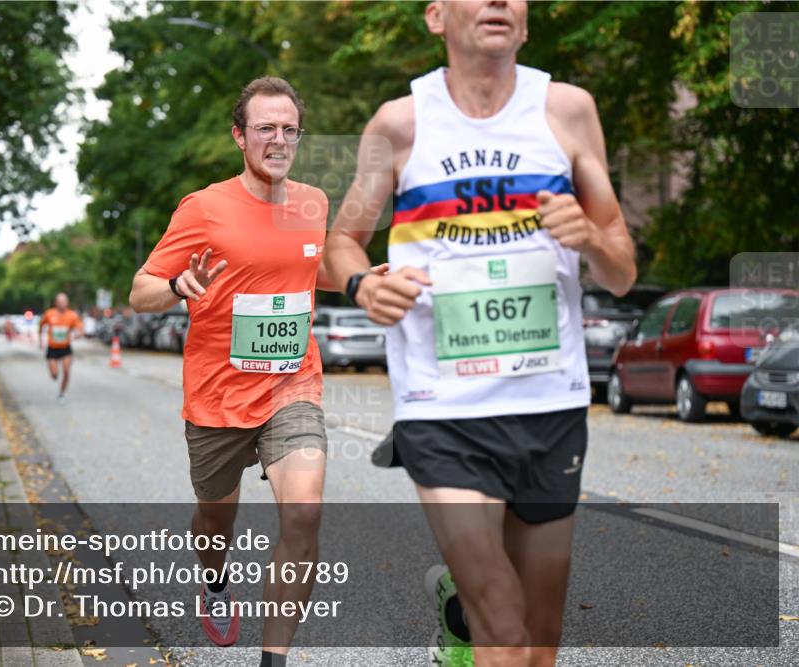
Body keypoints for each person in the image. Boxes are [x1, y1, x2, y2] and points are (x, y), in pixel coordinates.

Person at [324, 2, 637, 665]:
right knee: (501, 623)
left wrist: (589, 237)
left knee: (539, 637)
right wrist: (363, 285)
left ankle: (455, 608)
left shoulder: (567, 111)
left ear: (525, 22)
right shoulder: (400, 125)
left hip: (549, 403)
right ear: (436, 17)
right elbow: (343, 243)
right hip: (443, 410)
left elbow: (620, 269)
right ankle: (471, 608)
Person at [130, 76, 378, 667]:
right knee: (216, 520)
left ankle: (274, 659)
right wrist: (174, 285)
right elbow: (140, 292)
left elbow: (304, 269)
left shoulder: (311, 203)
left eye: (290, 129)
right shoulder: (204, 207)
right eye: (266, 128)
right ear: (239, 136)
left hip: (291, 385)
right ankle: (214, 581)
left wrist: (361, 278)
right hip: (217, 394)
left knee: (306, 511)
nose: (279, 139)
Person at [38, 293, 82, 402]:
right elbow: (41, 326)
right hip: (52, 348)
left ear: (68, 303)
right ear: (56, 303)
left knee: (66, 371)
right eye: (60, 301)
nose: (62, 303)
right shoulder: (49, 313)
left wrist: (78, 334)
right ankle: (54, 375)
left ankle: (61, 393)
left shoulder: (72, 315)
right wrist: (40, 341)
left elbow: (80, 328)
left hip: (65, 347)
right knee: (54, 375)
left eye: (64, 301)